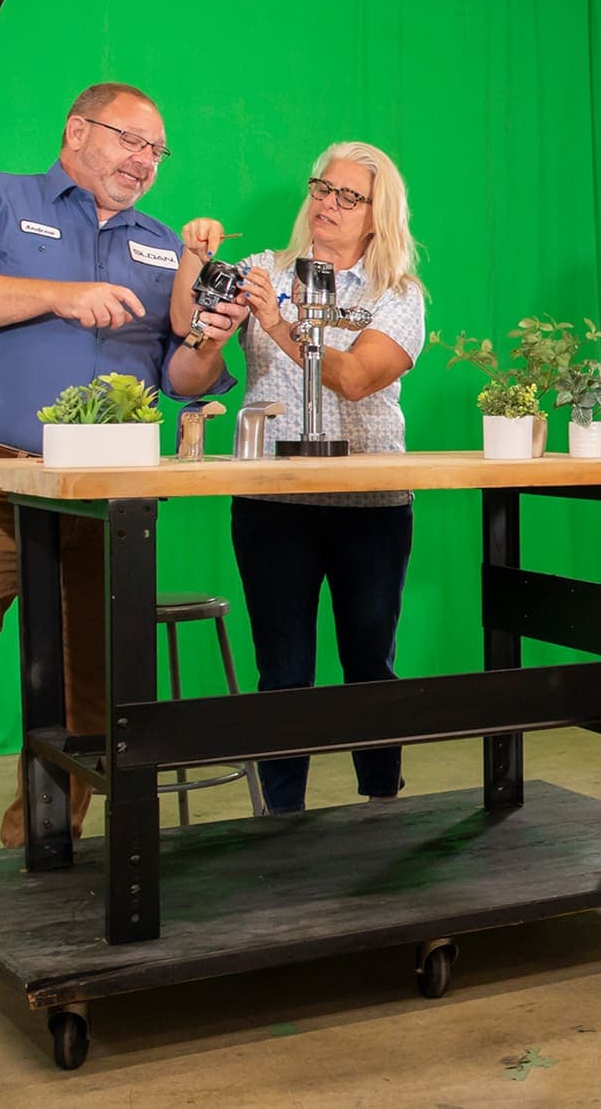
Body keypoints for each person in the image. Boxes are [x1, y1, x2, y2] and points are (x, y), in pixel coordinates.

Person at [0, 83, 245, 957]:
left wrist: (209, 341)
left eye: (157, 151)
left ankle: (39, 849)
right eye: (130, 141)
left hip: (99, 500)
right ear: (77, 132)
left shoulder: (158, 248)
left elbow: (183, 376)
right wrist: (59, 295)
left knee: (91, 696)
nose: (145, 162)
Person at [174, 142, 424, 814]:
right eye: (322, 188)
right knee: (282, 669)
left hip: (368, 503)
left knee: (369, 663)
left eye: (349, 197)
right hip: (272, 502)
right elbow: (188, 350)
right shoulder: (261, 269)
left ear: (379, 215)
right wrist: (196, 273)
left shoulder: (396, 295)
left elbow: (354, 378)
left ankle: (381, 803)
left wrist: (278, 324)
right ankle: (279, 818)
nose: (328, 204)